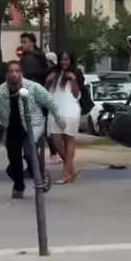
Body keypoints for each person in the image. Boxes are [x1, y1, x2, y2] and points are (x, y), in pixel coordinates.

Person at [0, 60, 65, 198]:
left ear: (21, 73)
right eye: (11, 71)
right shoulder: (0, 92)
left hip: (31, 127)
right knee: (14, 159)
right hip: (12, 129)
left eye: (17, 71)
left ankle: (41, 177)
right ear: (7, 74)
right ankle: (18, 185)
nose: (14, 74)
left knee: (29, 153)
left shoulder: (32, 87)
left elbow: (50, 102)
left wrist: (60, 121)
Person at [46, 52, 84, 184]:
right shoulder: (54, 74)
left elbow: (76, 94)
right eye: (62, 60)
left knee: (69, 140)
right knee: (56, 141)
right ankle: (71, 169)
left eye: (67, 60)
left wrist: (73, 79)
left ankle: (66, 174)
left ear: (71, 61)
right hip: (56, 110)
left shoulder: (76, 73)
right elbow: (46, 92)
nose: (64, 62)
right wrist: (48, 80)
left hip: (70, 110)